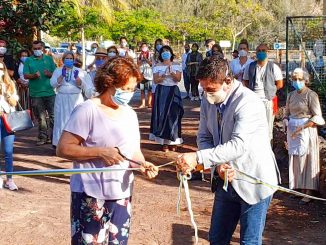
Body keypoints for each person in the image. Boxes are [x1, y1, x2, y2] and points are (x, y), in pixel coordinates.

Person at [176, 57, 280, 245]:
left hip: (254, 180)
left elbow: (238, 145)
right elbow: (204, 137)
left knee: (249, 241)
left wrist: (198, 157)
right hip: (225, 180)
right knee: (217, 239)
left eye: (211, 90)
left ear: (228, 81)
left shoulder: (248, 102)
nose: (207, 95)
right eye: (203, 89)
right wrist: (218, 165)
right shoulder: (208, 100)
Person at [56, 57, 158, 244]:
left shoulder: (130, 114)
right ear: (109, 83)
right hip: (90, 194)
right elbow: (63, 148)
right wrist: (100, 152)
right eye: (125, 89)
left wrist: (142, 164)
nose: (128, 94)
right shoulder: (87, 110)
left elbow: (133, 150)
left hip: (121, 193)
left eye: (132, 89)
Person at [283, 68, 325, 203]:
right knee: (295, 159)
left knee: (306, 159)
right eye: (294, 79)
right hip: (292, 130)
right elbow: (287, 113)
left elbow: (317, 116)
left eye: (300, 79)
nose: (297, 82)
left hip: (306, 129)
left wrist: (303, 127)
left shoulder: (311, 95)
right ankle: (297, 188)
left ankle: (308, 191)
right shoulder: (291, 95)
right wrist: (285, 120)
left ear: (305, 80)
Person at [50, 51, 93, 147]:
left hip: (75, 98)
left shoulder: (80, 71)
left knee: (76, 120)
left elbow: (85, 87)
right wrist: (61, 76)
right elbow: (52, 84)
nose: (69, 60)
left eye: (71, 58)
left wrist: (78, 79)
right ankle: (59, 143)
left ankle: (76, 142)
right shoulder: (58, 70)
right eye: (67, 58)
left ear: (73, 60)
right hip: (62, 98)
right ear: (63, 59)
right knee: (61, 120)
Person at [243, 43, 283, 141]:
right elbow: (245, 81)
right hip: (253, 101)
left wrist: (271, 91)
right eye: (259, 51)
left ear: (268, 52)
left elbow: (280, 84)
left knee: (268, 128)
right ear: (255, 53)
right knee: (253, 126)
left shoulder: (273, 67)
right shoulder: (250, 66)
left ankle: (268, 151)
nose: (261, 52)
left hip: (267, 100)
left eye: (263, 50)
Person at [150, 45, 183, 152]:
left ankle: (173, 140)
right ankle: (163, 142)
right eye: (163, 51)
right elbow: (155, 80)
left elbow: (178, 79)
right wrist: (164, 74)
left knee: (174, 115)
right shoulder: (157, 66)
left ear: (171, 53)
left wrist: (171, 72)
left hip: (173, 90)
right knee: (162, 115)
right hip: (161, 91)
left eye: (167, 51)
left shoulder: (177, 64)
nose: (165, 53)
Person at [23, 40, 56, 145]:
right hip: (36, 94)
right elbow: (25, 75)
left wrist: (49, 74)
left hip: (50, 92)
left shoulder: (49, 59)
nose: (37, 50)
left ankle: (54, 137)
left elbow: (56, 74)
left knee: (53, 116)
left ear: (43, 49)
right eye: (35, 49)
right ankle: (43, 137)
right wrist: (34, 76)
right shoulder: (29, 60)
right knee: (41, 117)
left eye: (38, 48)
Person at [0, 61, 19, 190]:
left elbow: (14, 103)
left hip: (8, 120)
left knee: (8, 151)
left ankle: (10, 179)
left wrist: (7, 95)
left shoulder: (10, 84)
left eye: (1, 68)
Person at [137, 42, 153, 108]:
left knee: (149, 90)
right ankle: (143, 104)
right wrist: (141, 58)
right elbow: (138, 64)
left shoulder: (150, 55)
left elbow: (151, 64)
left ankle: (149, 103)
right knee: (142, 89)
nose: (144, 48)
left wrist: (145, 58)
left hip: (149, 74)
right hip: (142, 74)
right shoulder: (139, 55)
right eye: (142, 46)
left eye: (145, 46)